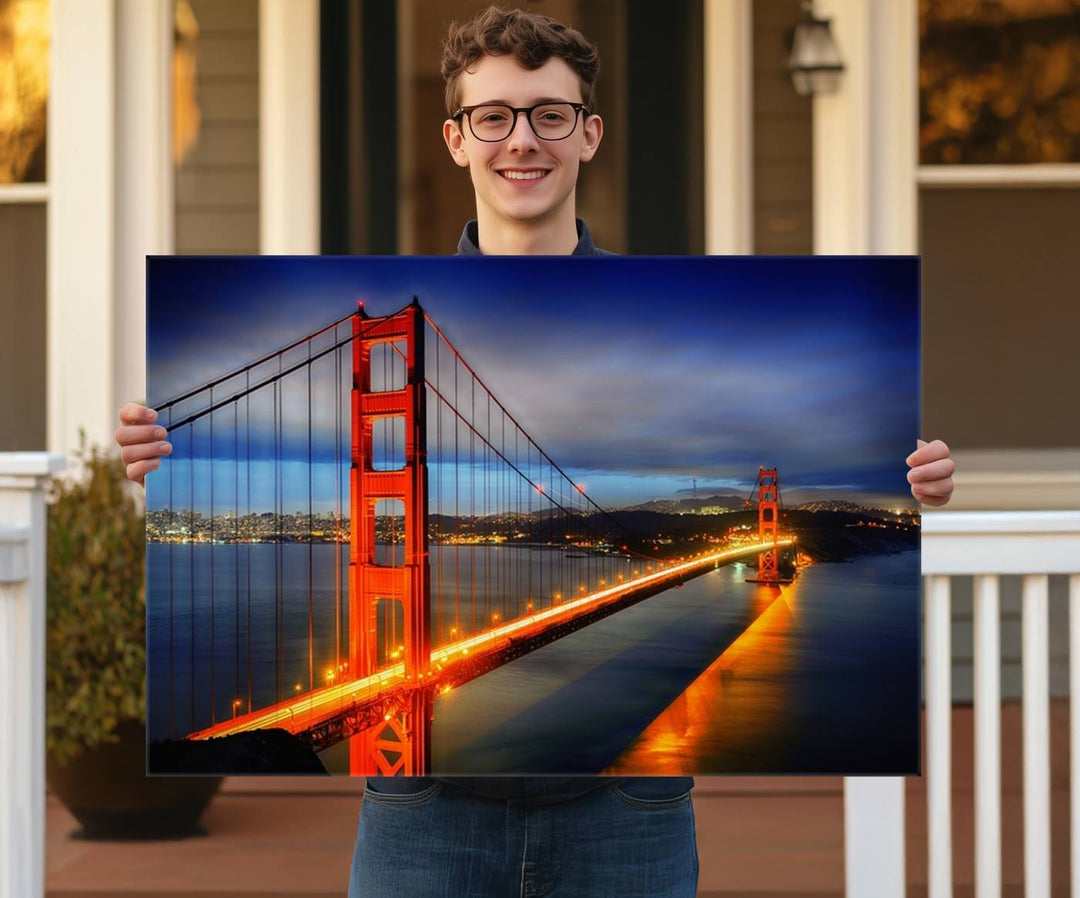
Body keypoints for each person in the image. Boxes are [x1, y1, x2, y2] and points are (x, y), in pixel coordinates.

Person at [115, 6, 955, 895]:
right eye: (494, 116)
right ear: (455, 139)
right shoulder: (393, 315)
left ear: (590, 135)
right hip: (419, 821)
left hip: (629, 817)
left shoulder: (654, 306)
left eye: (550, 114)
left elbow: (887, 471)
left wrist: (919, 494)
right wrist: (159, 464)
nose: (523, 140)